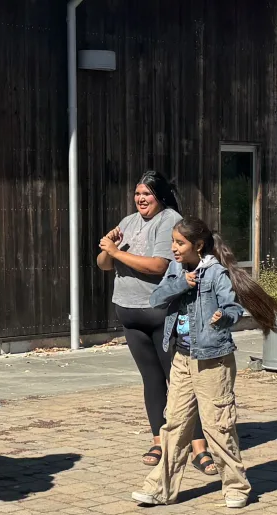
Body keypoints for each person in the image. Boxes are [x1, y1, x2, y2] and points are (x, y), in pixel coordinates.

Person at [131, 216, 277, 509]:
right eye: (173, 242)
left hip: (213, 361)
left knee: (217, 427)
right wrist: (181, 285)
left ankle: (236, 486)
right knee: (174, 424)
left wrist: (223, 316)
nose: (173, 248)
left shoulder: (215, 274)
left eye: (179, 243)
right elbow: (156, 298)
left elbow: (233, 308)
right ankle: (161, 488)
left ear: (197, 246)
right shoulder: (176, 269)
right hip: (182, 358)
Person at [96, 171, 215, 474]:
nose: (141, 199)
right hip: (129, 313)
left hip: (163, 314)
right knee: (151, 380)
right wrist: (108, 248)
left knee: (180, 382)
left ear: (159, 196)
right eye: (137, 194)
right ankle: (159, 440)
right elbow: (104, 264)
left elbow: (159, 266)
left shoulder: (170, 221)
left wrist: (117, 254)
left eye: (147, 194)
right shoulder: (127, 223)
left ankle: (199, 446)